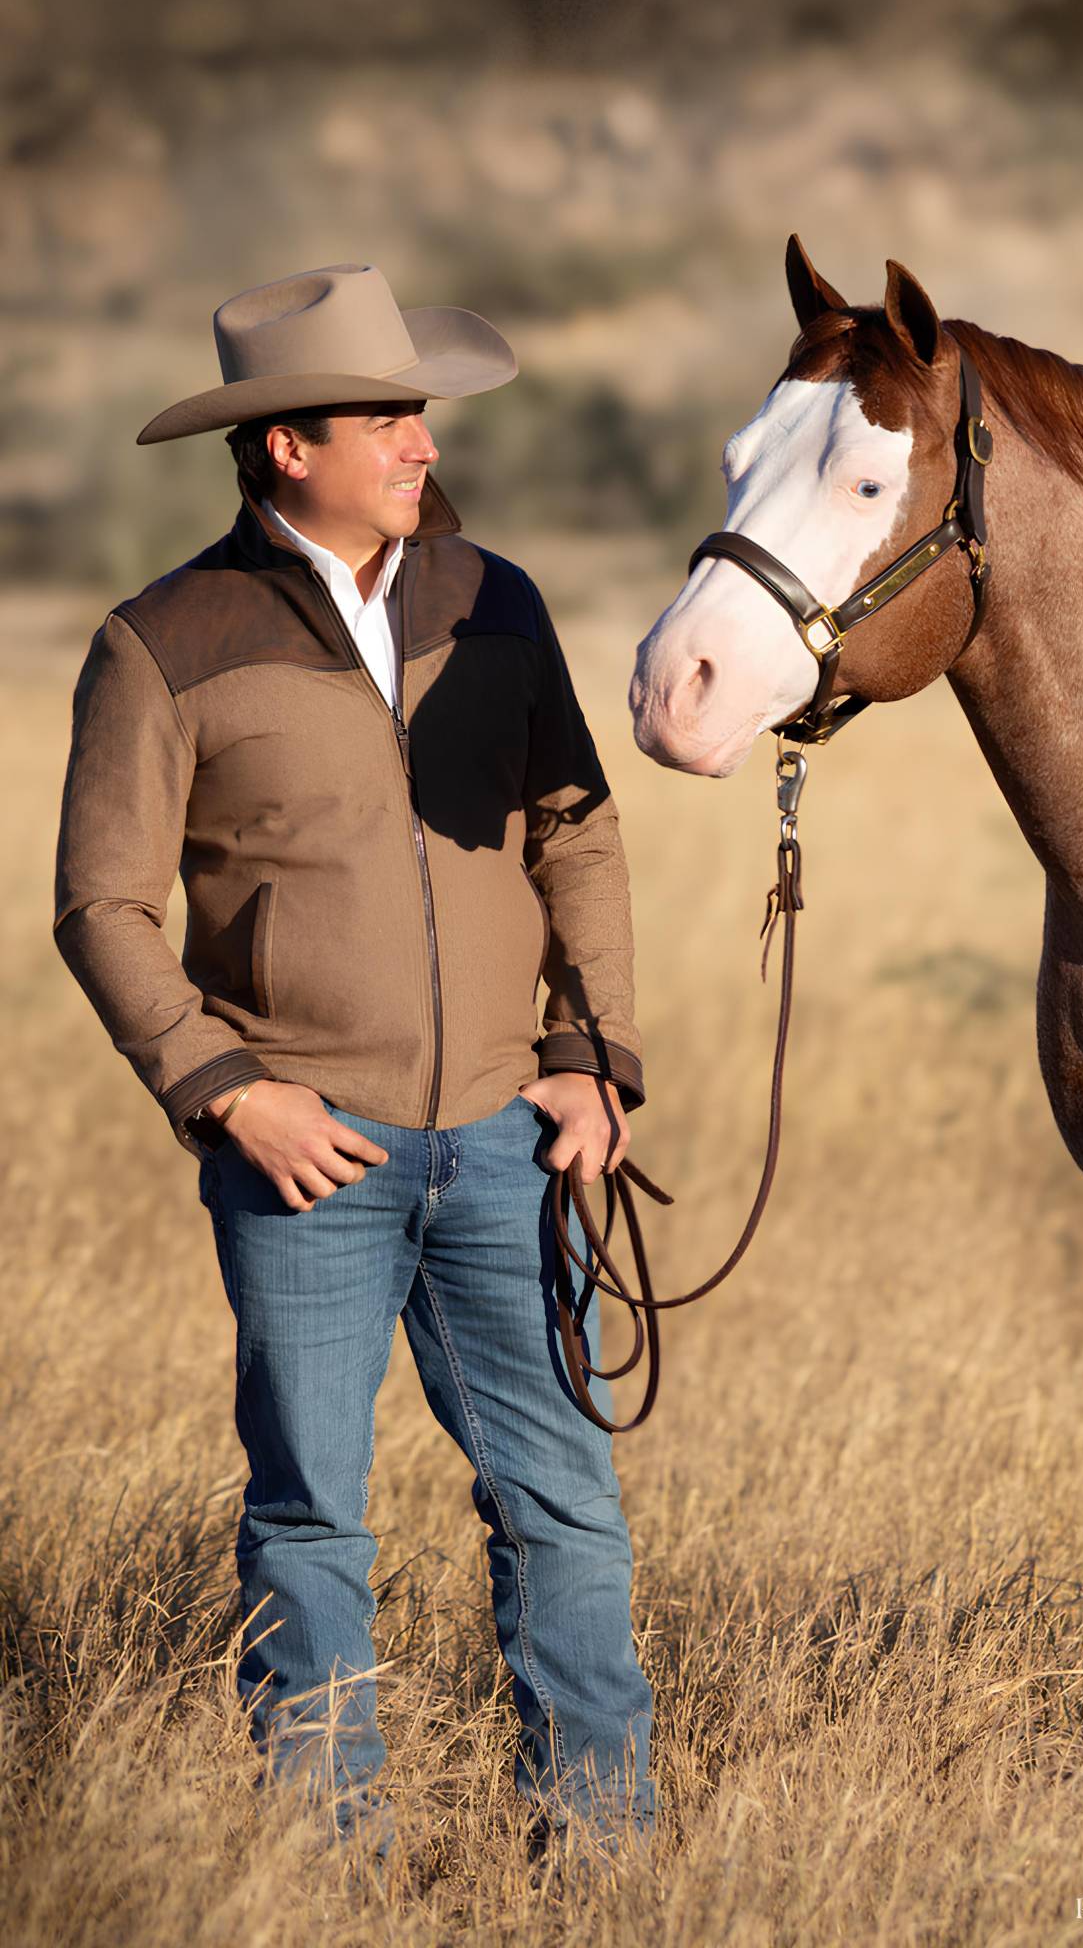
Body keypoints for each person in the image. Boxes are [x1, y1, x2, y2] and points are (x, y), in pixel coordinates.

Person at [52, 262, 654, 1862]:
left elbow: (574, 835)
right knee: (312, 1515)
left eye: (418, 406)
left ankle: (597, 1851)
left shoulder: (498, 599)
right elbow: (100, 904)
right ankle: (330, 1861)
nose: (417, 436)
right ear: (284, 447)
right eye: (383, 413)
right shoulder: (161, 640)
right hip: (303, 1156)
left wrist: (592, 1055)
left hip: (508, 1143)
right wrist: (227, 1086)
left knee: (567, 1509)